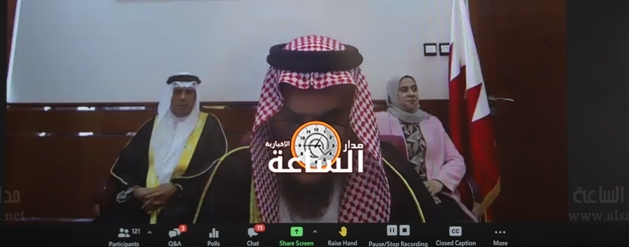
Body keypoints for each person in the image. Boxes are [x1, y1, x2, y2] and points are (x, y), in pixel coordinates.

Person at [194, 36, 434, 223]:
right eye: (293, 121)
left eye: (329, 123)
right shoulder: (233, 174)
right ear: (270, 119)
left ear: (353, 123)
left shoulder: (393, 176)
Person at [96, 73, 228, 224]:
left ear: (195, 96)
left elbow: (215, 166)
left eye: (189, 92)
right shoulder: (153, 126)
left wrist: (177, 187)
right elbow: (125, 165)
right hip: (143, 201)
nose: (183, 97)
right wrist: (137, 191)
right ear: (169, 96)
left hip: (186, 200)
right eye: (177, 92)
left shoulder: (209, 125)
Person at [376, 75, 477, 222]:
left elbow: (456, 160)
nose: (411, 93)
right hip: (398, 197)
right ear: (392, 95)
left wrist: (439, 182)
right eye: (404, 90)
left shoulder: (432, 122)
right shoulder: (378, 121)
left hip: (435, 194)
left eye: (414, 89)